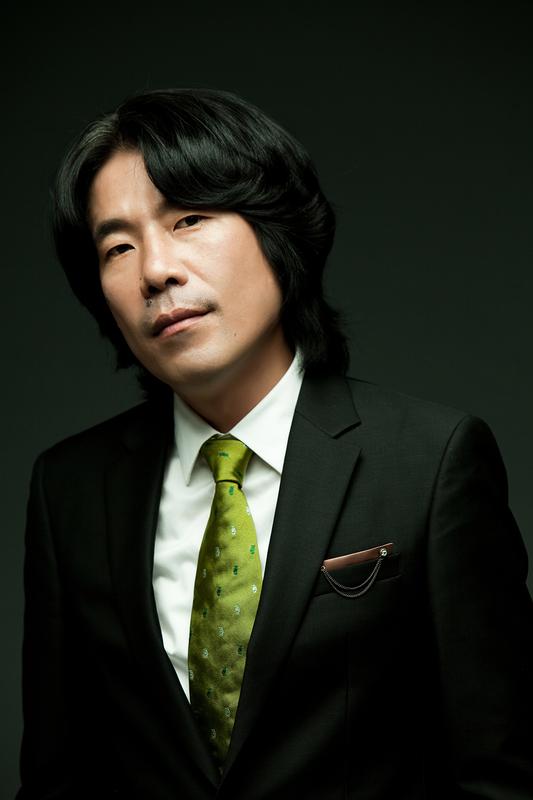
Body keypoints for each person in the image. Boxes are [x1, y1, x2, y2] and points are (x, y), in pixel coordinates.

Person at [18, 88, 533, 800]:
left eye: (189, 218)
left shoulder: (430, 460)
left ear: (275, 228)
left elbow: (499, 772)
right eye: (118, 247)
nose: (155, 270)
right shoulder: (69, 489)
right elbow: (57, 775)